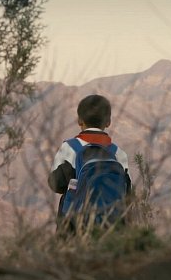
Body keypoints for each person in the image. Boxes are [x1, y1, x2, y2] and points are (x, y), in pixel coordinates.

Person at [48, 94, 131, 233]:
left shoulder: (69, 148)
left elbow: (56, 184)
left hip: (74, 226)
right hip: (111, 225)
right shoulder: (119, 153)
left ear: (79, 120)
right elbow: (127, 191)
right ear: (108, 122)